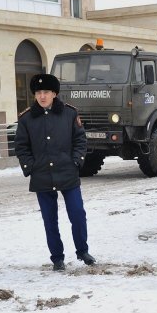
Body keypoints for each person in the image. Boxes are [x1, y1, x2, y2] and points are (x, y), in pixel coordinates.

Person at [14, 74, 96, 271]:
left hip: (67, 172)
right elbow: (21, 147)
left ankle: (82, 250)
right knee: (50, 220)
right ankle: (57, 258)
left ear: (54, 94)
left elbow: (80, 140)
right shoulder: (26, 119)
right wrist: (31, 167)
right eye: (38, 93)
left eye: (46, 92)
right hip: (42, 175)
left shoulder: (69, 114)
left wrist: (76, 161)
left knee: (77, 214)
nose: (42, 96)